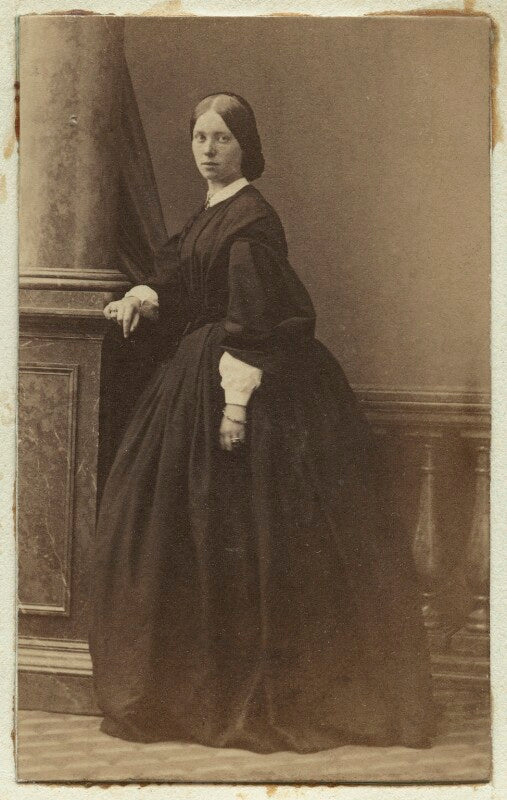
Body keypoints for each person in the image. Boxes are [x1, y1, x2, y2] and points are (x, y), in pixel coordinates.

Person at [89, 92, 436, 753]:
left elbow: (251, 320)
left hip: (241, 384)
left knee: (246, 535)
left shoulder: (250, 220)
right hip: (196, 375)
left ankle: (245, 690)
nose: (208, 149)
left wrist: (235, 405)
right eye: (199, 137)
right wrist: (144, 295)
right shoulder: (213, 211)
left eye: (221, 138)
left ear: (244, 146)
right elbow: (184, 279)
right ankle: (195, 686)